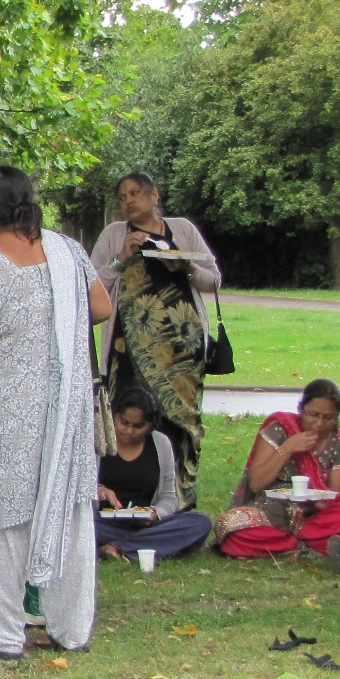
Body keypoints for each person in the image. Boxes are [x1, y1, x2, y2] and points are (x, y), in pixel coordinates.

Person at [0, 166, 112, 658]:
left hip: (5, 406)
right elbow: (102, 307)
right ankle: (71, 629)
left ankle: (4, 636)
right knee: (67, 510)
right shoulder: (68, 252)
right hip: (65, 406)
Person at [90, 173, 222, 508]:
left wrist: (185, 267)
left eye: (135, 193)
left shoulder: (183, 229)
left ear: (154, 195)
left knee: (179, 424)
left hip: (182, 352)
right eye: (123, 197)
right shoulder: (114, 234)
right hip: (129, 353)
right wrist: (121, 258)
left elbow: (213, 279)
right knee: (130, 420)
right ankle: (125, 498)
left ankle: (178, 500)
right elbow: (90, 287)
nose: (129, 201)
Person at [215, 378, 340, 558]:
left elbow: (332, 499)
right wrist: (288, 447)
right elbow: (256, 484)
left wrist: (312, 503)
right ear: (301, 410)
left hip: (313, 518)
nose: (319, 424)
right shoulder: (281, 429)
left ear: (337, 416)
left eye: (328, 418)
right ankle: (309, 545)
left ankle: (290, 544)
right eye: (313, 415)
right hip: (271, 512)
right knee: (228, 526)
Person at [95, 388, 212, 563]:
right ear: (114, 415)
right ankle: (147, 545)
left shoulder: (161, 443)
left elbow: (169, 498)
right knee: (76, 526)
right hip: (103, 522)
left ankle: (118, 547)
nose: (128, 431)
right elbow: (75, 489)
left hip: (145, 526)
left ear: (151, 424)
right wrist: (98, 490)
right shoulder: (97, 441)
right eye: (124, 422)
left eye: (138, 426)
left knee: (200, 523)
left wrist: (155, 513)